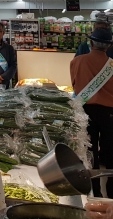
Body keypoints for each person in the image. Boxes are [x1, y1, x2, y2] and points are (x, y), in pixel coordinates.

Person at [70, 27, 113, 198]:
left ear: (91, 43)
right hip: (109, 113)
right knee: (110, 152)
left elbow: (74, 86)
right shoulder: (112, 65)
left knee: (90, 152)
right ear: (109, 46)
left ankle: (94, 191)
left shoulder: (77, 61)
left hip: (86, 111)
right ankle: (111, 193)